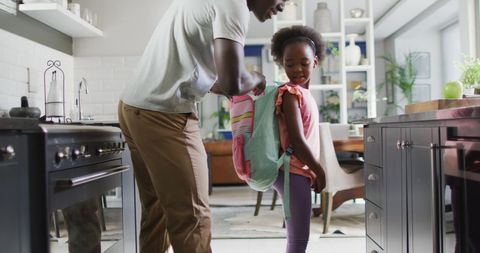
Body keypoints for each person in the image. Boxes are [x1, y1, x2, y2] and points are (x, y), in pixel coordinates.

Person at [117, 0, 287, 252]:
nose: (283, 5)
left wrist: (239, 83)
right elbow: (233, 82)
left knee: (158, 210)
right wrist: (256, 78)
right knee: (192, 216)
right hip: (165, 115)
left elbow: (201, 73)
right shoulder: (235, 6)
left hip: (133, 108)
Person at [270, 25, 326, 253]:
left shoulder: (304, 94)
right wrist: (319, 171)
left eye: (304, 62)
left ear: (315, 62)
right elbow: (297, 140)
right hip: (292, 172)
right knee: (298, 240)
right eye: (289, 64)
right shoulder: (291, 94)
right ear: (282, 63)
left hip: (297, 171)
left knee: (298, 237)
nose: (297, 69)